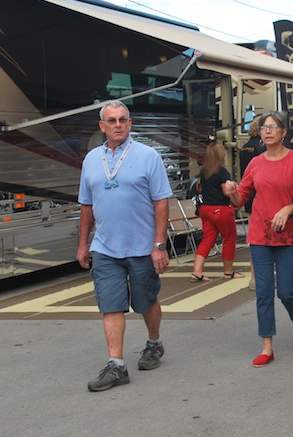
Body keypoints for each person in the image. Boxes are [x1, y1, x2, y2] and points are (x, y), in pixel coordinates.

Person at [77, 100, 173, 392]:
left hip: (142, 247)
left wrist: (159, 244)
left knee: (145, 302)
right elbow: (86, 204)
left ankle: (154, 343)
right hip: (105, 248)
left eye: (122, 120)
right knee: (110, 305)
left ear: (130, 124)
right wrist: (83, 244)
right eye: (112, 120)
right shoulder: (91, 159)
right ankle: (116, 365)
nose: (118, 125)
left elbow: (161, 202)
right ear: (102, 126)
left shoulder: (148, 156)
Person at [224, 110, 293, 367]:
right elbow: (241, 199)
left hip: (289, 235)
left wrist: (287, 209)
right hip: (260, 234)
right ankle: (267, 346)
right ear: (260, 133)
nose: (269, 131)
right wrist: (231, 193)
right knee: (263, 291)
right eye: (265, 127)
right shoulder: (255, 163)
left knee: (286, 291)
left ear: (284, 132)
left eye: (274, 126)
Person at [190, 142, 243, 282]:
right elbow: (227, 191)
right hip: (221, 210)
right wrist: (235, 189)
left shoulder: (203, 171)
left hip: (206, 210)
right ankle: (228, 272)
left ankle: (197, 271)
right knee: (229, 238)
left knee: (207, 240)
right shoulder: (222, 172)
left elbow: (199, 188)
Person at [238, 115, 265, 291]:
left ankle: (254, 277)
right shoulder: (261, 150)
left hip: (249, 198)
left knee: (254, 238)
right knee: (265, 239)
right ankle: (262, 276)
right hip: (263, 197)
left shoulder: (244, 148)